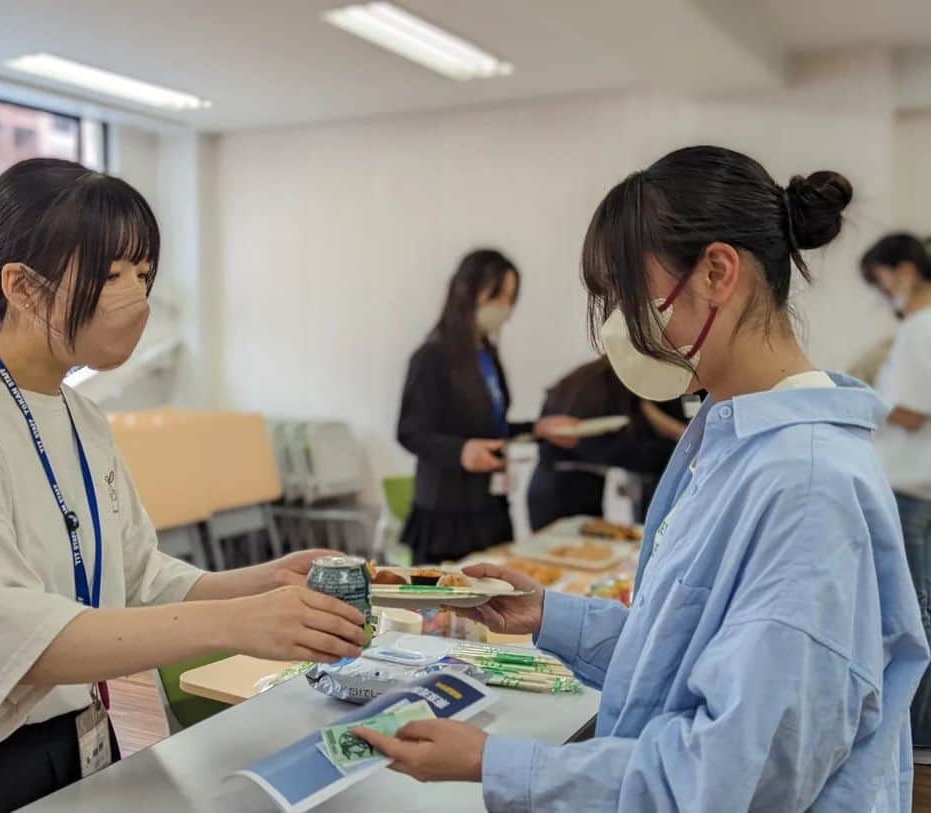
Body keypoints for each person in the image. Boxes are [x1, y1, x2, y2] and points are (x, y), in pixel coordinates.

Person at [358, 146, 929, 811]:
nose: (620, 325)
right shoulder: (733, 437)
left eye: (631, 295)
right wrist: (551, 615)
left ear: (717, 271)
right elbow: (684, 650)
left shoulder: (804, 486)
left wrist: (498, 763)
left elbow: (729, 774)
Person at [0, 159, 367, 812]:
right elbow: (5, 636)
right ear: (23, 288)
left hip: (90, 745)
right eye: (110, 273)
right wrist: (238, 622)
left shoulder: (82, 415)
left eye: (143, 273)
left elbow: (139, 580)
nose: (135, 296)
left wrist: (264, 582)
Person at [396, 249, 577, 564]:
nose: (505, 308)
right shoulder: (431, 357)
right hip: (447, 517)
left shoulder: (487, 355)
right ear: (467, 290)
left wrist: (537, 428)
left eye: (510, 298)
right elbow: (411, 431)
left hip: (490, 509)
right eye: (499, 296)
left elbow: (492, 427)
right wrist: (462, 451)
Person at [860, 233, 931, 755]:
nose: (883, 293)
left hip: (908, 490)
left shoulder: (919, 330)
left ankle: (913, 734)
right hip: (918, 489)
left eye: (881, 281)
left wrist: (856, 398)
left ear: (903, 270)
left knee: (909, 619)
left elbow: (910, 411)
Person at [526, 356, 686, 530]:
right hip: (563, 488)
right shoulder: (607, 387)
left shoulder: (587, 377)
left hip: (564, 483)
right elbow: (620, 450)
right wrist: (671, 434)